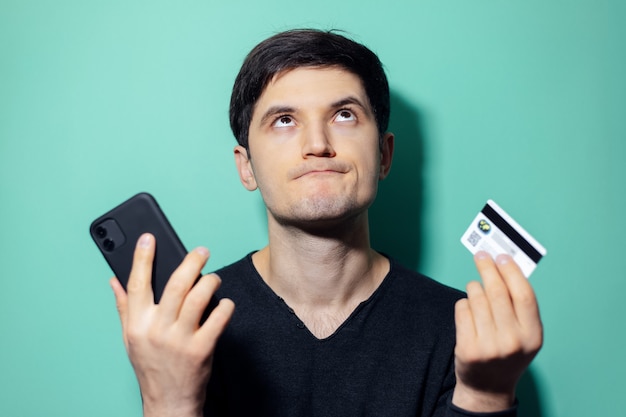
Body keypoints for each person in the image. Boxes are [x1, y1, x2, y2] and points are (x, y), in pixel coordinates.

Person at [109, 29, 543, 417]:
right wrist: (168, 403)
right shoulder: (187, 326)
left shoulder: (462, 330)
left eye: (344, 115)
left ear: (385, 155)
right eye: (284, 121)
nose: (317, 144)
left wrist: (486, 396)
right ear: (246, 168)